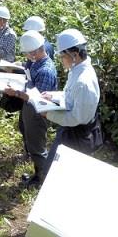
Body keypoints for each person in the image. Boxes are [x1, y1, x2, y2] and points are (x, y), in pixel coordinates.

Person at [43, 29, 102, 174]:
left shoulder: (83, 81)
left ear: (74, 55)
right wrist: (52, 96)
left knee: (59, 173)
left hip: (78, 137)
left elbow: (76, 118)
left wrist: (48, 114)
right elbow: (69, 96)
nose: (61, 59)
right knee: (52, 169)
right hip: (70, 130)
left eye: (62, 56)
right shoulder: (77, 69)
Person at [4, 30, 58, 187]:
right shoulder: (36, 62)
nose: (26, 56)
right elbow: (28, 71)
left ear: (35, 52)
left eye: (28, 53)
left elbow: (39, 100)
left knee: (38, 149)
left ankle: (45, 180)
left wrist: (16, 93)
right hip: (29, 109)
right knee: (33, 145)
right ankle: (38, 175)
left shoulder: (46, 70)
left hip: (37, 113)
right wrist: (17, 66)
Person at [0, 6, 17, 104]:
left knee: (4, 89)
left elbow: (3, 53)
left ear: (4, 20)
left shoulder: (11, 35)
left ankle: (4, 111)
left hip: (5, 66)